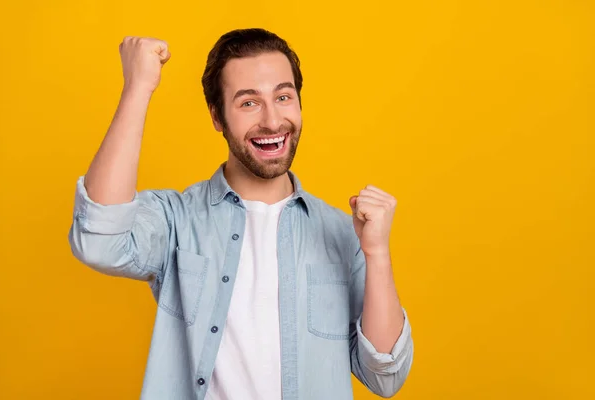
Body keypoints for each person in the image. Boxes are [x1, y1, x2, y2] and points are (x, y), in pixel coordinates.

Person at [68, 28, 413, 400]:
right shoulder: (177, 221)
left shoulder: (344, 234)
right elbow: (100, 240)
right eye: (249, 103)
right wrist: (137, 89)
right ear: (217, 116)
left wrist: (377, 253)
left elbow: (386, 376)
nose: (272, 120)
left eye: (283, 96)